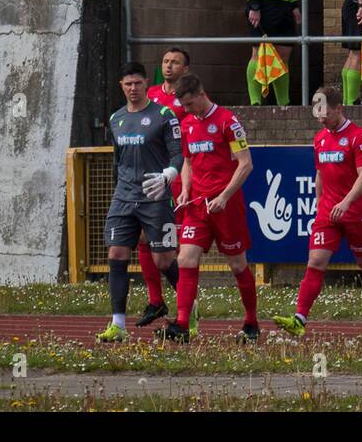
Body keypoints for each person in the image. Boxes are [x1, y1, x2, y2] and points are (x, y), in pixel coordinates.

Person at [272, 87, 362, 339]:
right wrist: (318, 206)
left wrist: (346, 202)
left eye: (325, 112)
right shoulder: (320, 139)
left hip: (356, 212)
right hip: (327, 213)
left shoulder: (359, 137)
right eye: (317, 112)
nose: (321, 117)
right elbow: (320, 174)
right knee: (315, 262)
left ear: (339, 108)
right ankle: (299, 319)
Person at [159, 73, 259, 343]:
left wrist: (225, 196)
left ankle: (251, 322)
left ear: (202, 94)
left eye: (190, 104)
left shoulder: (228, 121)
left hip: (226, 206)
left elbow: (245, 163)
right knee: (185, 259)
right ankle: (182, 324)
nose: (188, 110)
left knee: (238, 265)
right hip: (198, 206)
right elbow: (189, 162)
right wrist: (186, 191)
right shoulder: (188, 124)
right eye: (184, 106)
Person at [96, 63, 183, 343]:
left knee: (163, 259)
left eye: (137, 83)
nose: (133, 89)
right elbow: (118, 159)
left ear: (147, 84)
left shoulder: (164, 115)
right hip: (124, 197)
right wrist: (119, 188)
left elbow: (177, 155)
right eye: (128, 84)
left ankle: (188, 311)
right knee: (116, 255)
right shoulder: (116, 119)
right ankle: (118, 325)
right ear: (121, 85)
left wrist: (168, 176)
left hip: (156, 198)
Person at [136, 46, 191, 325]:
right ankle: (156, 300)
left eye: (176, 62)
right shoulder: (151, 96)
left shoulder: (188, 99)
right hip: (153, 181)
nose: (169, 66)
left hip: (179, 179)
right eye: (166, 61)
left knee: (169, 250)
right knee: (144, 239)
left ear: (186, 69)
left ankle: (187, 307)